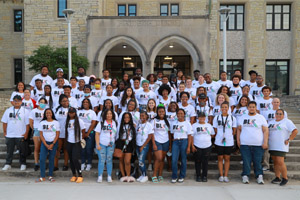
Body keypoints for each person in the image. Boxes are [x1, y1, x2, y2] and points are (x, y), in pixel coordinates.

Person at [237, 101, 269, 184]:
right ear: (247, 108)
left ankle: (259, 176)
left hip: (258, 145)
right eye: (250, 107)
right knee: (246, 161)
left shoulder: (261, 117)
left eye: (253, 107)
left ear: (256, 108)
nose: (252, 108)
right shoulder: (242, 117)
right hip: (245, 144)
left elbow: (265, 131)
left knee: (257, 161)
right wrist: (238, 140)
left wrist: (265, 142)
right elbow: (239, 130)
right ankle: (245, 176)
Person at [268, 109, 298, 186]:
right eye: (277, 113)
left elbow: (295, 131)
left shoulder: (287, 121)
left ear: (283, 115)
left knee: (280, 162)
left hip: (281, 145)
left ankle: (285, 178)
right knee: (275, 162)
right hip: (272, 145)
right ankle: (277, 177)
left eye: (280, 114)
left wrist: (289, 139)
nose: (278, 115)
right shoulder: (271, 122)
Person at [1, 95, 30, 171]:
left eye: (18, 101)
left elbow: (27, 124)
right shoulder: (8, 110)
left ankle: (23, 164)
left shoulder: (25, 111)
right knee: (9, 151)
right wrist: (5, 132)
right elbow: (4, 122)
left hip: (20, 134)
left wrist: (26, 133)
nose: (16, 102)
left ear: (21, 102)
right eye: (15, 100)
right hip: (10, 134)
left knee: (22, 151)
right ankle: (8, 164)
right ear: (13, 102)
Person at [213, 101, 237, 183]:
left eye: (226, 107)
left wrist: (228, 136)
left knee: (227, 158)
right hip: (219, 140)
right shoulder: (216, 118)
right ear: (220, 108)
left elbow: (234, 130)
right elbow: (215, 129)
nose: (224, 109)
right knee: (220, 158)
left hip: (228, 141)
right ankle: (221, 175)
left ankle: (226, 175)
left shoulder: (232, 118)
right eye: (222, 107)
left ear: (228, 108)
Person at [36, 108, 60, 182]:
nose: (48, 114)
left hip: (53, 143)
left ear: (52, 113)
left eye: (49, 113)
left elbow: (57, 134)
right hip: (45, 143)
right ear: (45, 114)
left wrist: (52, 143)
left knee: (51, 159)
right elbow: (41, 134)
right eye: (47, 113)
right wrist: (45, 144)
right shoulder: (42, 123)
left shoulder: (56, 123)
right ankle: (42, 176)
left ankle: (50, 175)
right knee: (42, 159)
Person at [95, 109, 118, 183]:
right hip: (102, 144)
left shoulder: (115, 123)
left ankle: (109, 175)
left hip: (111, 145)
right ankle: (100, 175)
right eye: (107, 114)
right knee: (101, 160)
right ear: (105, 115)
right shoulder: (101, 123)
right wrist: (97, 144)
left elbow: (116, 134)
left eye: (110, 114)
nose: (109, 115)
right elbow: (97, 134)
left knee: (109, 159)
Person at [170, 109, 193, 183]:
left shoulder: (187, 123)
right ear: (176, 115)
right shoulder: (173, 123)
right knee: (174, 160)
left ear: (184, 114)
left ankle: (182, 176)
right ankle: (174, 176)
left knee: (183, 160)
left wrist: (189, 146)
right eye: (178, 113)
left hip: (184, 141)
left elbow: (190, 135)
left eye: (181, 113)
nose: (180, 114)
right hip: (176, 142)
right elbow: (171, 133)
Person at [191, 112, 215, 182]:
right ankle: (198, 175)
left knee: (205, 162)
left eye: (203, 117)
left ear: (205, 118)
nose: (202, 118)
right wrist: (192, 145)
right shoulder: (194, 125)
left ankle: (204, 176)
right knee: (197, 161)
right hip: (197, 146)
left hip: (207, 146)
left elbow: (212, 134)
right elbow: (191, 136)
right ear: (198, 118)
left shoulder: (209, 125)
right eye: (200, 117)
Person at [65, 107, 85, 183]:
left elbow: (83, 130)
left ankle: (80, 175)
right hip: (69, 141)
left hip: (77, 142)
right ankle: (74, 174)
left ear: (75, 113)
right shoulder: (67, 121)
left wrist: (81, 139)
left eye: (73, 112)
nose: (71, 114)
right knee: (71, 159)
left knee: (75, 158)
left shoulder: (79, 121)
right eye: (70, 112)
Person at [152, 105, 171, 183]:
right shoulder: (154, 121)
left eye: (162, 111)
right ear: (157, 112)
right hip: (157, 141)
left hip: (165, 141)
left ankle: (160, 175)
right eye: (159, 111)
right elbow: (152, 133)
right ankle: (154, 175)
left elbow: (169, 133)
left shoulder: (167, 121)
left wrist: (170, 144)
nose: (161, 113)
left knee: (162, 159)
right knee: (158, 158)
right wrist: (153, 143)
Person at [116, 112, 137, 182]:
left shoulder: (133, 126)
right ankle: (123, 175)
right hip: (121, 143)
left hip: (129, 144)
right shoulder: (120, 125)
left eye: (128, 117)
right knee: (121, 160)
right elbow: (116, 135)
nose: (126, 119)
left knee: (127, 161)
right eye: (125, 117)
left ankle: (128, 175)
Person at [78, 99, 97, 171]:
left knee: (89, 149)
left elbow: (93, 123)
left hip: (90, 133)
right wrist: (82, 133)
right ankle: (83, 163)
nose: (85, 103)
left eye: (87, 102)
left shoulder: (92, 112)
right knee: (82, 149)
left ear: (89, 104)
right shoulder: (79, 112)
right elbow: (77, 122)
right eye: (84, 102)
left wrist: (87, 133)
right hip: (80, 133)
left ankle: (89, 163)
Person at [29, 97, 47, 171]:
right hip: (37, 130)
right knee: (37, 148)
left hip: (45, 131)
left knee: (44, 148)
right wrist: (34, 129)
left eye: (44, 102)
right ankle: (36, 163)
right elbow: (31, 122)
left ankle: (43, 163)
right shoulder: (33, 111)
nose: (42, 104)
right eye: (41, 102)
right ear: (38, 102)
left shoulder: (46, 111)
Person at [136, 111, 154, 183]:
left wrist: (143, 146)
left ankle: (145, 175)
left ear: (147, 116)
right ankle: (142, 174)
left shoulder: (149, 125)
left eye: (143, 116)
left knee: (141, 160)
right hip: (138, 144)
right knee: (139, 160)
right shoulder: (138, 124)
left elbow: (150, 136)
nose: (142, 117)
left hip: (144, 145)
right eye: (141, 116)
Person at [54, 94, 70, 171]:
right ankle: (55, 165)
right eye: (63, 101)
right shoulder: (56, 110)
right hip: (58, 133)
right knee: (57, 149)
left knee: (66, 149)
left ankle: (65, 165)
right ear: (60, 102)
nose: (65, 102)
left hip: (68, 133)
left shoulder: (71, 109)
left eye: (66, 101)